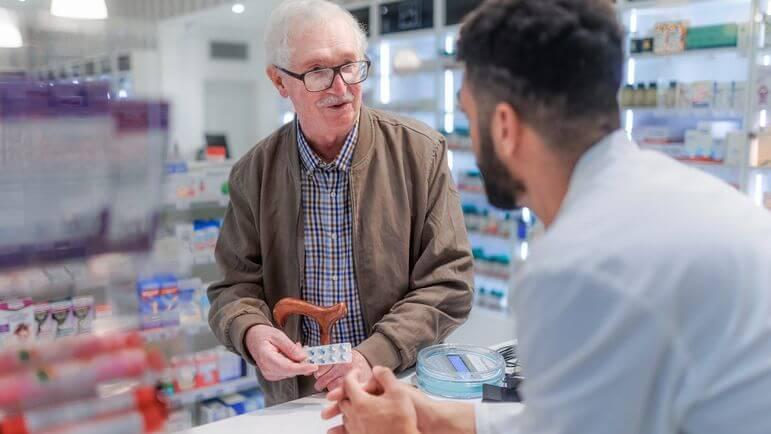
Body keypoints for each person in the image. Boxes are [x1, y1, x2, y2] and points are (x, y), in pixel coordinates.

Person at [323, 0, 771, 433]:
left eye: (468, 115)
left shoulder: (577, 265)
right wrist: (437, 418)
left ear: (504, 127)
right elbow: (576, 417)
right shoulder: (679, 195)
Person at [207, 0, 474, 406]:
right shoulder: (253, 175)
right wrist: (251, 332)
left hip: (395, 387)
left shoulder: (421, 154)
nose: (341, 87)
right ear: (280, 82)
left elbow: (448, 282)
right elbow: (233, 288)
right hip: (295, 397)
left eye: (350, 65)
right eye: (317, 71)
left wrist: (373, 355)